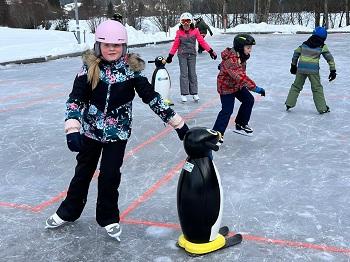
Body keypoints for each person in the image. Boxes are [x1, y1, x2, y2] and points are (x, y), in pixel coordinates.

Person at [45, 20, 189, 241]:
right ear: (98, 45)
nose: (112, 49)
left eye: (117, 45)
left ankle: (108, 217)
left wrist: (178, 124)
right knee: (82, 173)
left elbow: (152, 99)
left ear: (124, 47)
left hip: (117, 135)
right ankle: (68, 211)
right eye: (107, 44)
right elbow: (76, 99)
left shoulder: (132, 71)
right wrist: (72, 127)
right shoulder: (89, 68)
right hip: (91, 132)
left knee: (110, 176)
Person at [212, 34, 265, 143]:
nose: (250, 50)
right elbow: (240, 77)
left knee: (249, 100)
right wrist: (255, 88)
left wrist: (222, 66)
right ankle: (217, 134)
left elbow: (235, 71)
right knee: (227, 110)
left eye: (251, 48)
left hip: (236, 85)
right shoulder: (232, 60)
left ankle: (241, 123)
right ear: (240, 47)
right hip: (226, 87)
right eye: (248, 48)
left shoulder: (240, 55)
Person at [166, 12, 217, 103]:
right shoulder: (179, 32)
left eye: (188, 21)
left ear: (191, 22)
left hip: (192, 55)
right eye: (183, 21)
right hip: (182, 55)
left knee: (192, 74)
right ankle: (184, 94)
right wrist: (170, 56)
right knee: (184, 74)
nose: (186, 23)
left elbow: (202, 42)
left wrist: (210, 51)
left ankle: (194, 93)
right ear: (181, 22)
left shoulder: (195, 31)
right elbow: (175, 45)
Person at [285, 26, 336, 114]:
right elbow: (329, 59)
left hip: (301, 68)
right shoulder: (322, 46)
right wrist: (333, 70)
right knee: (317, 88)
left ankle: (289, 103)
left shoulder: (304, 44)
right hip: (313, 71)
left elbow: (296, 53)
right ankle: (322, 108)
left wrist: (293, 65)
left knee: (296, 86)